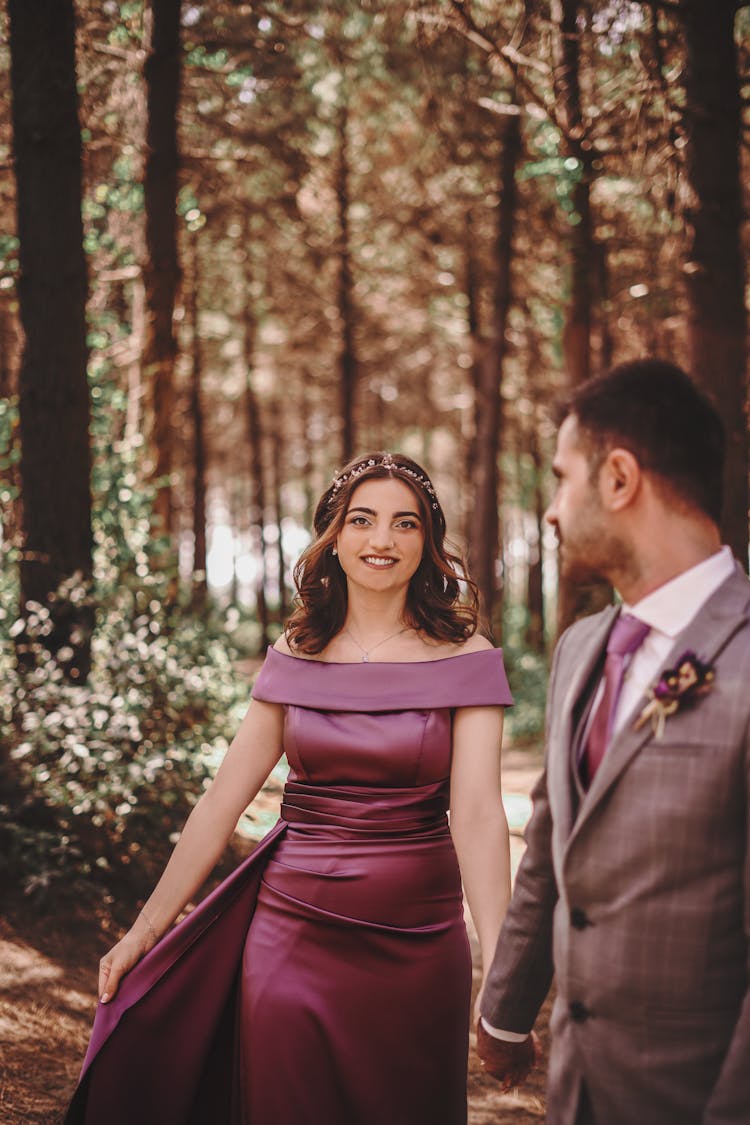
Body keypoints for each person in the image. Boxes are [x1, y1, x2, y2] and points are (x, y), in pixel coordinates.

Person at [65, 451, 513, 1125]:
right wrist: (145, 930)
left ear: (429, 542)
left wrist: (503, 979)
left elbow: (478, 815)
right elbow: (223, 800)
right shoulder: (295, 653)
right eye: (362, 520)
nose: (382, 540)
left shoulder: (469, 659)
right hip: (292, 930)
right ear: (334, 536)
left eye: (405, 523)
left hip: (419, 941)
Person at [476, 359, 750, 1124]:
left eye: (564, 478)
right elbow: (554, 843)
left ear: (620, 477)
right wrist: (505, 1008)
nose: (553, 511)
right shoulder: (580, 648)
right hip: (577, 1086)